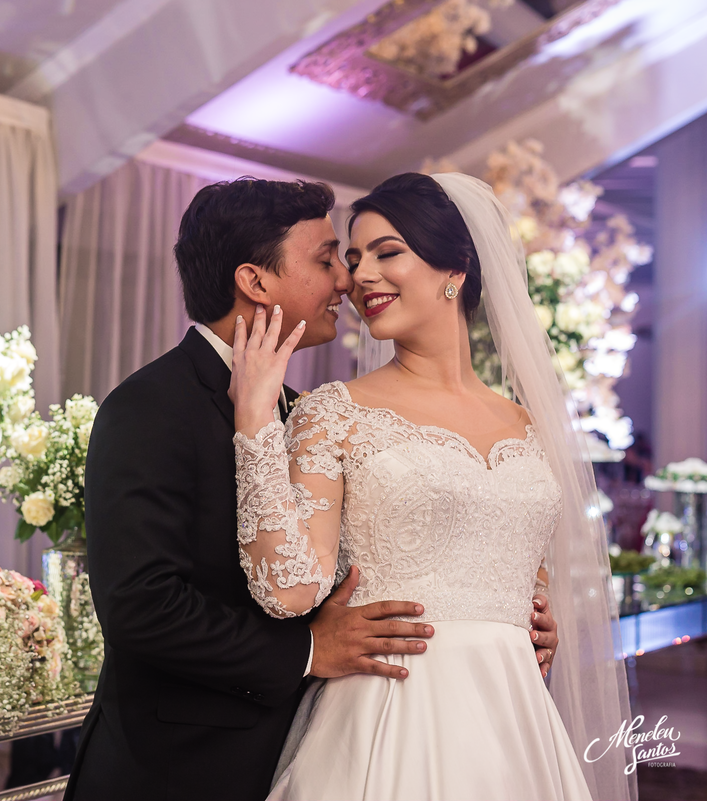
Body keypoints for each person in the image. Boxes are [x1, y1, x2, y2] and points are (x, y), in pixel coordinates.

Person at [63, 177, 559, 801]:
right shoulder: (148, 406)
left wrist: (511, 614)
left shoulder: (305, 411)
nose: (349, 282)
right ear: (256, 281)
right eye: (333, 261)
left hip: (395, 730)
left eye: (371, 256)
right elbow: (141, 606)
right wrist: (305, 649)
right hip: (174, 768)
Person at [230, 172, 633, 801]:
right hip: (393, 711)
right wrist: (255, 421)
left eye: (388, 253)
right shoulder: (332, 413)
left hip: (513, 714)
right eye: (354, 259)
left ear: (457, 270)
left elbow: (522, 564)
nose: (360, 277)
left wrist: (534, 613)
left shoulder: (524, 422)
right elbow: (287, 590)